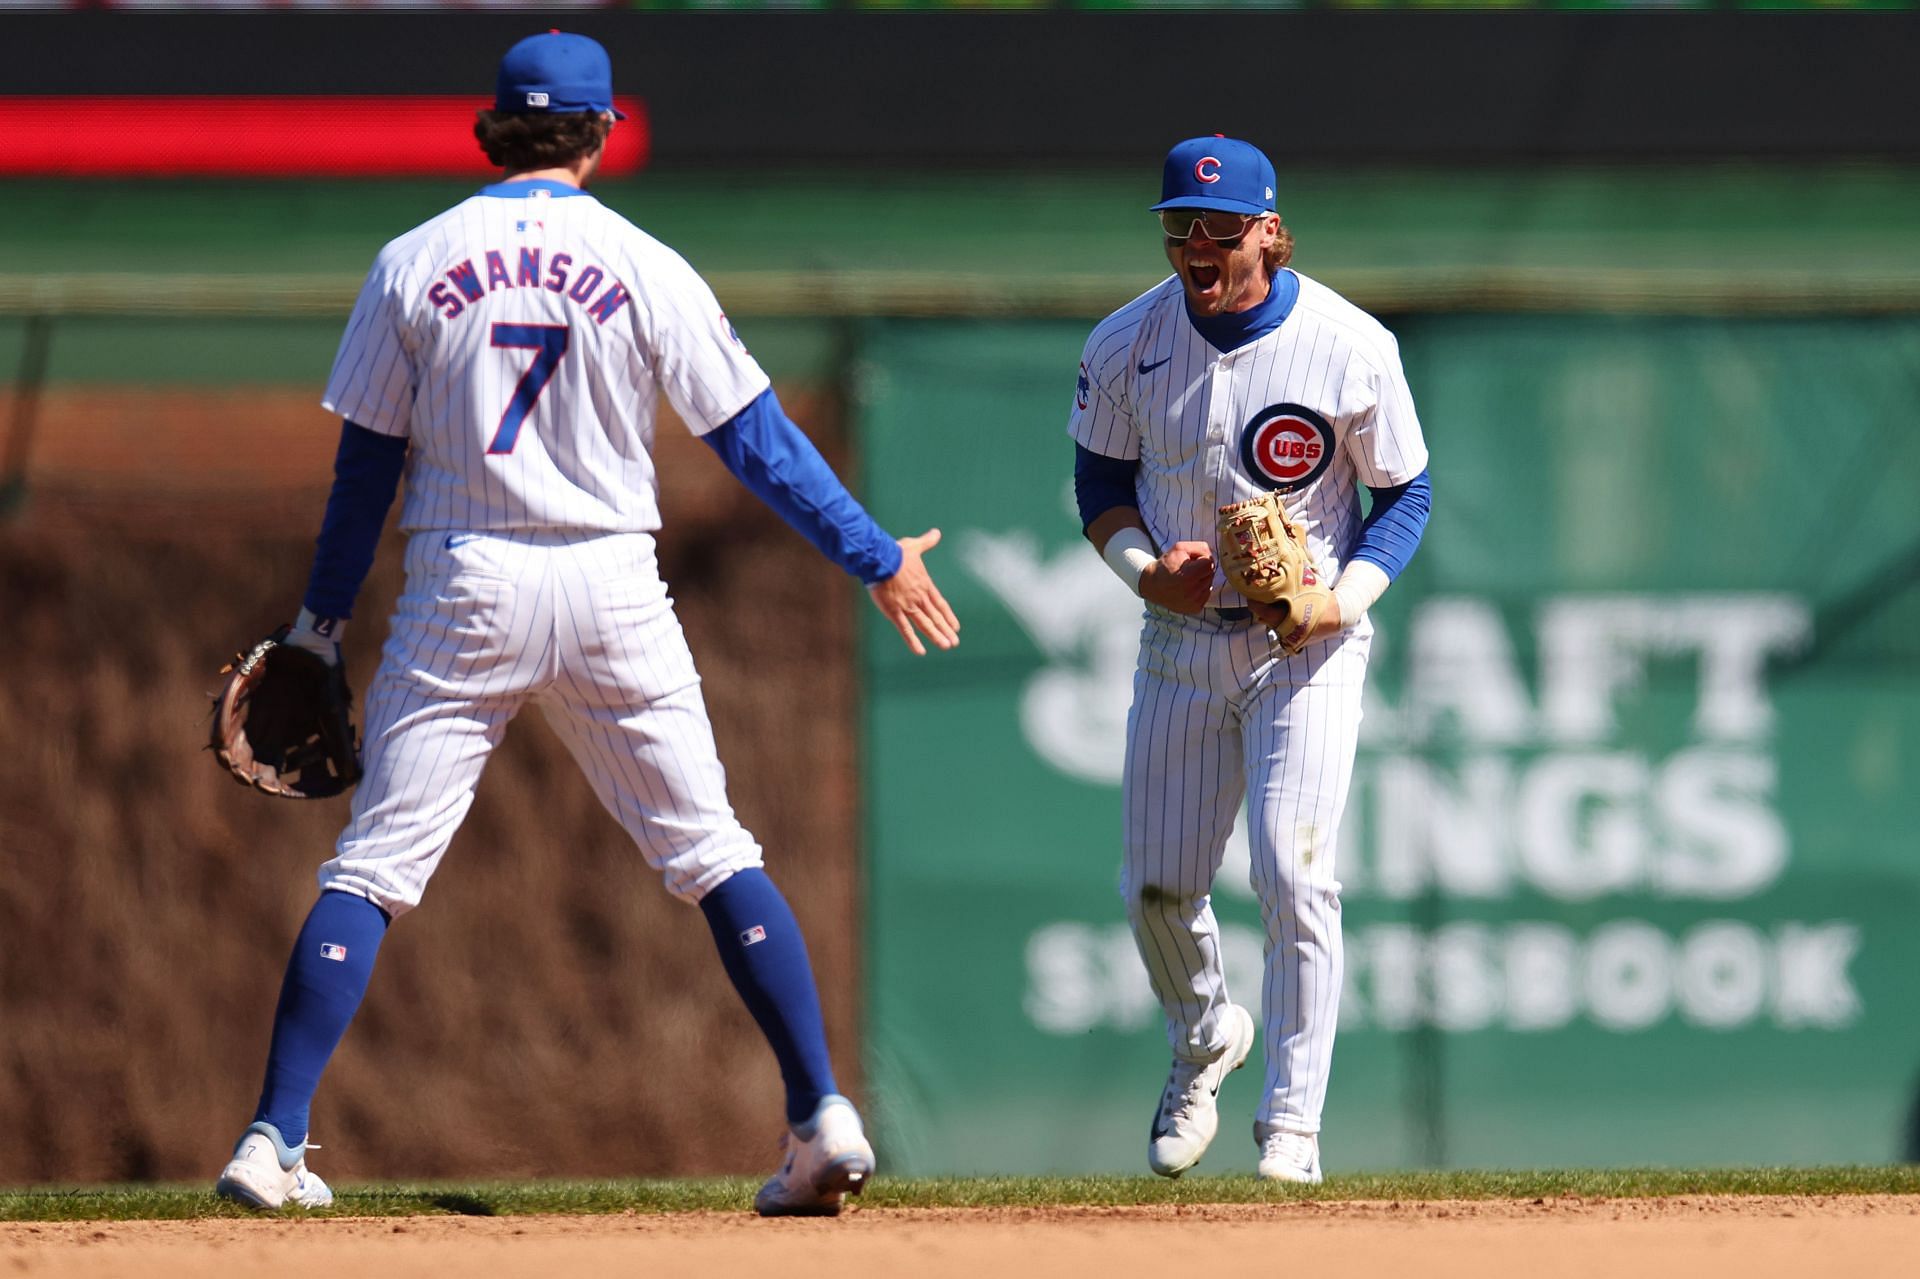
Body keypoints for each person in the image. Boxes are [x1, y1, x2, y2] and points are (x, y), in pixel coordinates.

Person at [213, 30, 958, 1217]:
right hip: (612, 580)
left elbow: (366, 470)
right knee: (712, 851)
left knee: (374, 868)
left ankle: (272, 1138)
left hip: (466, 576)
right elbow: (753, 440)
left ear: (489, 129)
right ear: (603, 135)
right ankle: (822, 1114)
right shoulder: (644, 260)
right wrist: (872, 555)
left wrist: (318, 624)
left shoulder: (414, 259)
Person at [1069, 136, 1430, 1183]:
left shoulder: (1349, 344)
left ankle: (1294, 1129)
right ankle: (1202, 1038)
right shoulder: (1125, 342)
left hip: (1303, 649)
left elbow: (1404, 495)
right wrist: (1145, 571)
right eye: (1180, 224)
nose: (1197, 244)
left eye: (1221, 228)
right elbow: (1100, 488)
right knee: (1157, 889)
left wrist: (1338, 597)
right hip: (1181, 639)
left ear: (1270, 230)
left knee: (1296, 873)